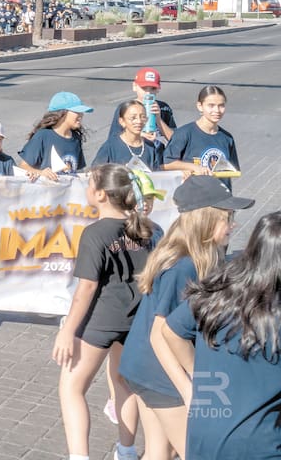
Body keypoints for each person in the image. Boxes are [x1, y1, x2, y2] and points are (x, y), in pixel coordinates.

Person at [118, 176, 254, 460]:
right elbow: (159, 334)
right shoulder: (184, 266)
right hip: (157, 372)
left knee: (159, 451)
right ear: (204, 222)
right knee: (194, 452)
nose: (233, 225)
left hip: (143, 366)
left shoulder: (197, 257)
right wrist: (191, 389)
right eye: (226, 218)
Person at [52, 164, 159, 460]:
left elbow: (86, 290)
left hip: (101, 321)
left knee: (71, 388)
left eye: (89, 184)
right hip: (136, 320)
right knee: (123, 384)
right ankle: (126, 450)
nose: (87, 188)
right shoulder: (146, 228)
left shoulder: (95, 233)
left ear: (100, 195)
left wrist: (67, 332)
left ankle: (79, 456)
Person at [160, 211, 281, 460]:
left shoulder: (218, 289)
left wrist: (198, 377)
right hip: (261, 446)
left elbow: (170, 331)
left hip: (205, 439)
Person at [162, 85, 240, 187]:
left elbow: (231, 170)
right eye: (211, 105)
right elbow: (166, 164)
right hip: (193, 197)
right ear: (200, 106)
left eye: (221, 105)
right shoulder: (184, 133)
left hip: (220, 197)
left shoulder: (227, 138)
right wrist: (193, 167)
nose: (217, 110)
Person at [19, 92, 91, 180]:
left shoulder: (76, 138)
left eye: (81, 112)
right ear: (62, 113)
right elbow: (23, 167)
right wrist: (41, 173)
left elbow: (79, 170)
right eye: (77, 112)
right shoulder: (43, 135)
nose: (81, 115)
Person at [106, 67, 175, 145]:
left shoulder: (163, 108)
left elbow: (176, 140)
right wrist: (137, 135)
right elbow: (113, 139)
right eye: (144, 88)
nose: (148, 93)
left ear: (158, 89)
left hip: (158, 154)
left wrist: (159, 120)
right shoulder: (125, 108)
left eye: (153, 88)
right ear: (135, 86)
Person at [94, 100, 163, 171]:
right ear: (122, 121)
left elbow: (157, 174)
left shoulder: (150, 146)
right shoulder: (110, 146)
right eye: (133, 118)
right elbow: (96, 173)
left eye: (143, 117)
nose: (139, 121)